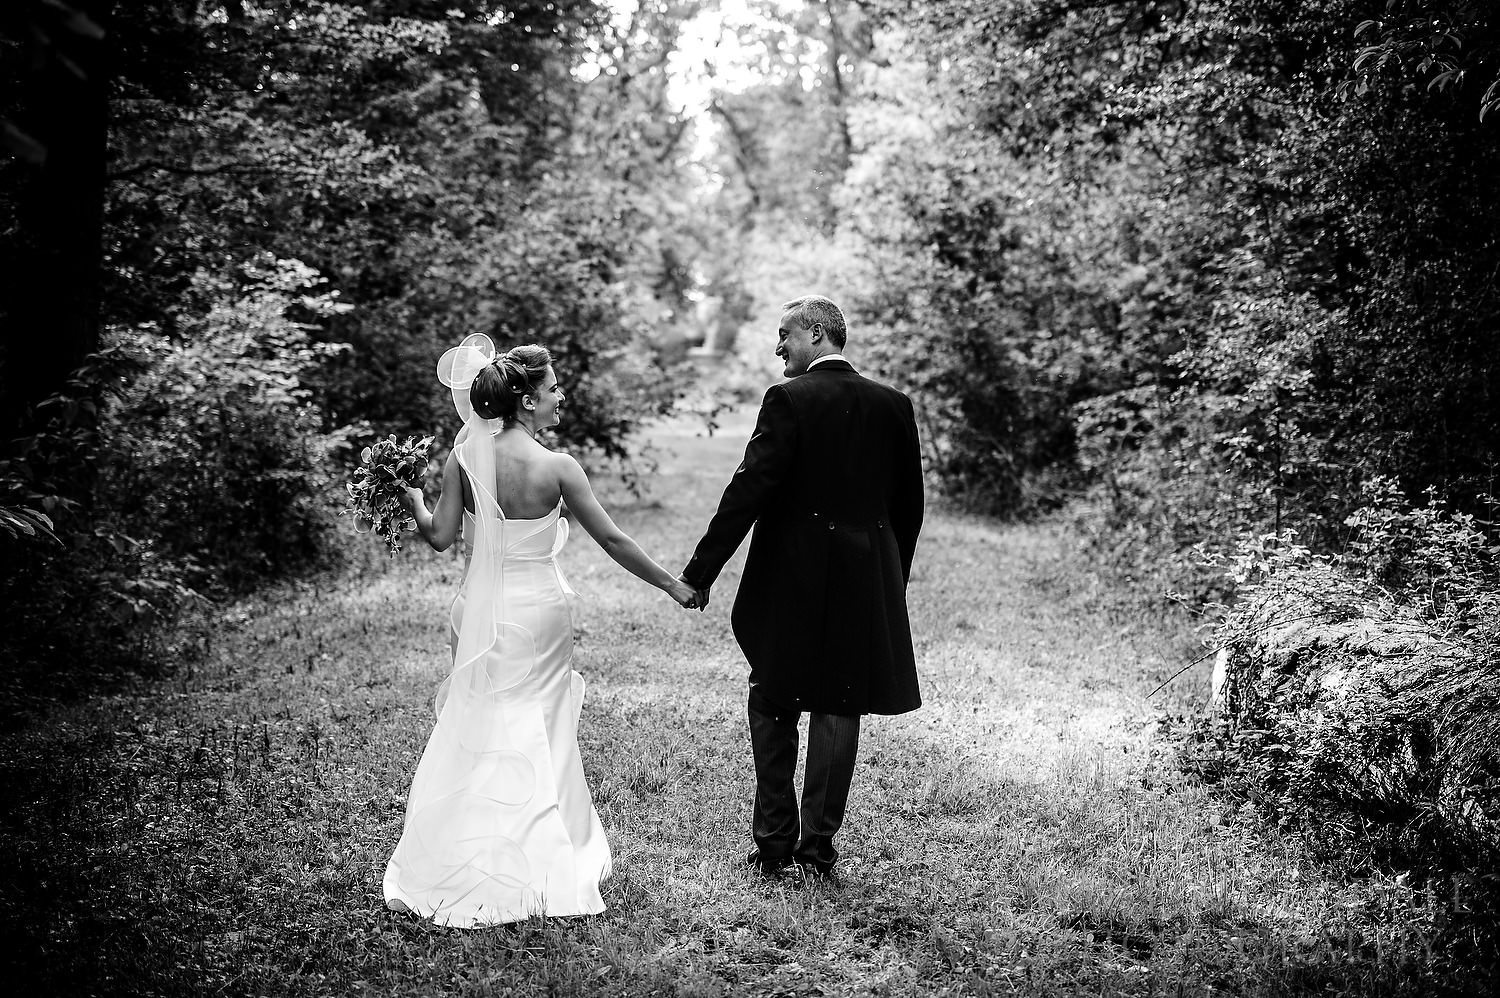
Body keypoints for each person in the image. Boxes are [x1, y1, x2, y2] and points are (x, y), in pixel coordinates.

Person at [383, 335, 698, 927]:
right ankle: (545, 858)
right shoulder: (557, 467)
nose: (561, 397)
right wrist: (674, 585)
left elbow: (440, 536)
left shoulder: (463, 458)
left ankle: (462, 853)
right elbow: (612, 540)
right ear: (526, 401)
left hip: (478, 610)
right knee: (541, 726)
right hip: (538, 610)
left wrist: (410, 497)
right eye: (553, 388)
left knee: (479, 721)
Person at [679, 295, 923, 886]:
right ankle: (816, 851)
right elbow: (908, 507)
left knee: (773, 698)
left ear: (817, 334)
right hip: (866, 577)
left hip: (794, 575)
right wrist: (888, 578)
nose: (779, 346)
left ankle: (773, 845)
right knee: (840, 704)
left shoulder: (788, 399)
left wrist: (699, 573)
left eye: (785, 334)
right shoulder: (895, 404)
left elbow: (748, 491)